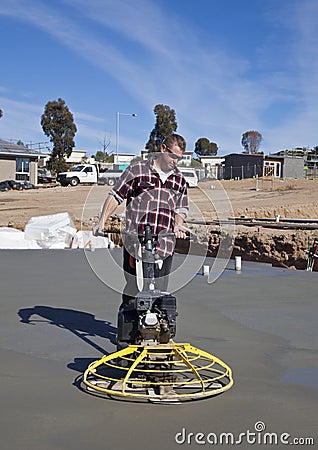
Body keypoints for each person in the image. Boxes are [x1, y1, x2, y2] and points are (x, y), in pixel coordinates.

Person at [93, 133, 190, 345]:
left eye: (179, 159)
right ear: (163, 149)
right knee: (133, 292)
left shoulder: (179, 179)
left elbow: (181, 208)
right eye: (174, 156)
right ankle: (127, 337)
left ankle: (158, 336)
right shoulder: (137, 171)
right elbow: (115, 195)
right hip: (135, 243)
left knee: (161, 292)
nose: (176, 162)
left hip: (164, 245)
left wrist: (178, 223)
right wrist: (102, 221)